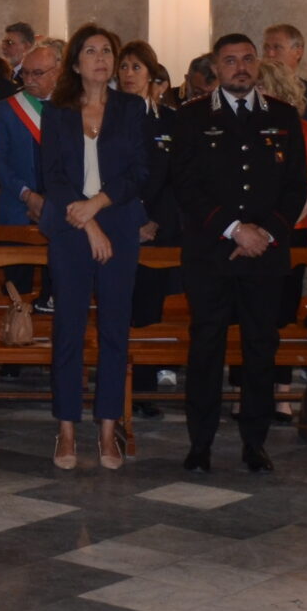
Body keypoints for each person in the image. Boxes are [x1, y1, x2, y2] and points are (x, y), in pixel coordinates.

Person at [170, 33, 307, 475]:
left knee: (260, 349)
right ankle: (201, 442)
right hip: (211, 255)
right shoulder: (191, 117)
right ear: (216, 68)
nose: (241, 68)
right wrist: (234, 230)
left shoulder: (284, 117)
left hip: (264, 257)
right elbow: (186, 186)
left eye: (247, 59)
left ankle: (255, 441)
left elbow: (295, 186)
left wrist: (264, 234)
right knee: (207, 347)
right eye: (230, 61)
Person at [40, 25, 151, 472]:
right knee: (68, 330)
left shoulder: (131, 108)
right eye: (91, 51)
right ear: (75, 62)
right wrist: (87, 224)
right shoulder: (57, 111)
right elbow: (53, 176)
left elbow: (139, 172)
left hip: (119, 226)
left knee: (114, 330)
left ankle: (108, 428)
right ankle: (66, 429)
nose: (102, 58)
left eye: (108, 50)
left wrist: (99, 207)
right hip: (70, 230)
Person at [121, 41, 178, 419]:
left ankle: (145, 387)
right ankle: (122, 385)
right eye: (122, 67)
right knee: (123, 307)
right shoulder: (107, 119)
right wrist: (134, 216)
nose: (127, 73)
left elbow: (175, 177)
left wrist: (154, 219)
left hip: (160, 228)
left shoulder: (170, 121)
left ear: (152, 75)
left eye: (136, 67)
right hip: (121, 223)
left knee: (151, 308)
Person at [0, 38, 59, 230]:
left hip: (62, 210)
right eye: (25, 73)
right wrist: (27, 195)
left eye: (37, 74)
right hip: (17, 208)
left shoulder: (71, 108)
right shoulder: (8, 108)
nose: (29, 80)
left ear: (56, 73)